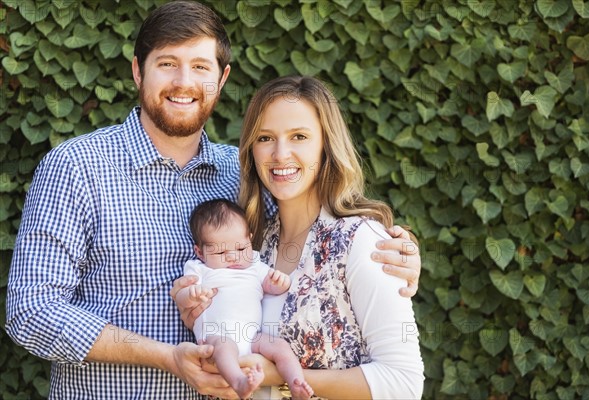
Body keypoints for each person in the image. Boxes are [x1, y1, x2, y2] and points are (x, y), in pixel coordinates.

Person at [6, 1, 421, 399]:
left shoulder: (244, 180)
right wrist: (167, 358)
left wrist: (396, 254)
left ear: (220, 80)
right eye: (167, 64)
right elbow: (31, 311)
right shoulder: (77, 168)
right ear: (138, 71)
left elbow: (323, 233)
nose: (184, 82)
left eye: (200, 67)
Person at [177, 75, 425, 399]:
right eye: (265, 138)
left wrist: (281, 376)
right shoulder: (255, 244)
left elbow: (403, 383)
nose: (280, 154)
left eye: (299, 136)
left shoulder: (362, 241)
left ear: (326, 145)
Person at [176, 199, 313, 399]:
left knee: (280, 347)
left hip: (252, 336)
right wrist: (191, 294)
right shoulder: (199, 269)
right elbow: (181, 297)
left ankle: (296, 383)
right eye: (221, 252)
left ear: (249, 239)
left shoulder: (255, 266)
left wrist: (279, 281)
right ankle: (239, 382)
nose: (233, 257)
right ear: (200, 252)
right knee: (225, 349)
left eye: (241, 248)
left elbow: (271, 286)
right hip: (217, 336)